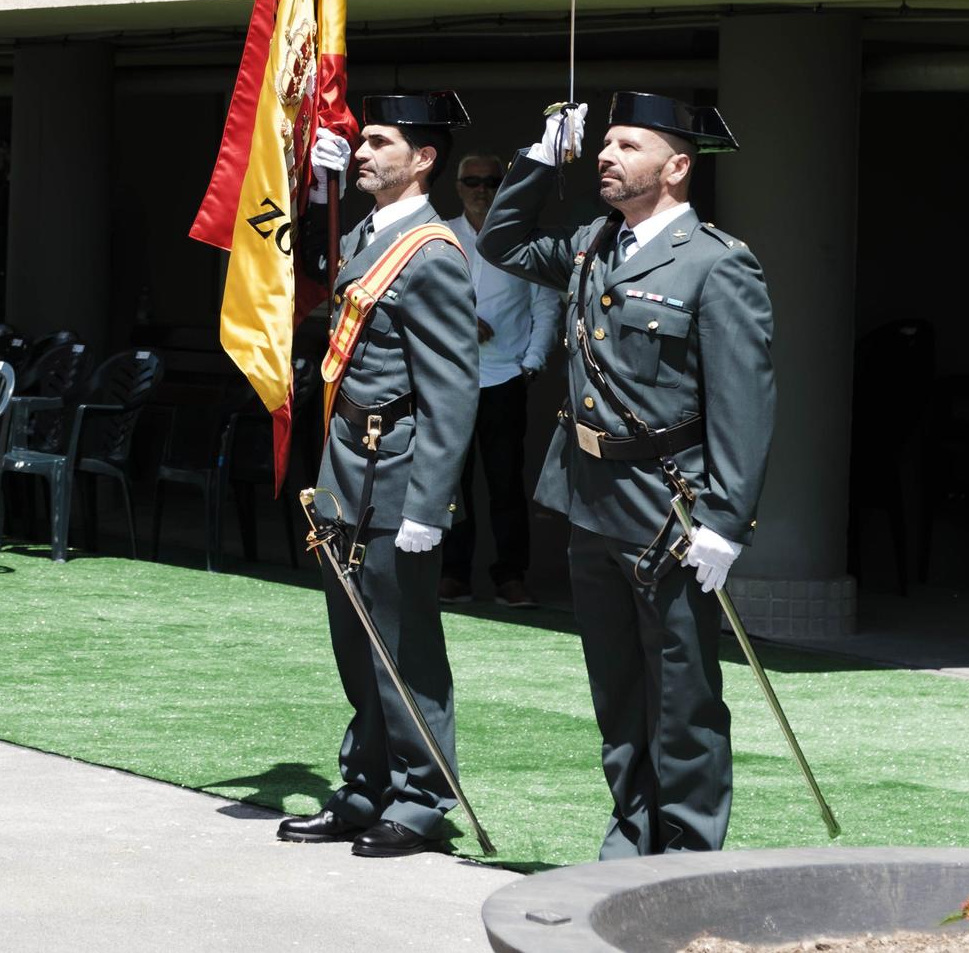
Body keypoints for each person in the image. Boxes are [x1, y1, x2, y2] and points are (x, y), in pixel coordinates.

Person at [478, 93, 775, 859]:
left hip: (668, 507)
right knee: (615, 685)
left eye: (627, 145)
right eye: (603, 143)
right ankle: (632, 828)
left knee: (683, 692)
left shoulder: (717, 263)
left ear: (676, 166)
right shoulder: (590, 243)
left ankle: (686, 847)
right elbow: (501, 242)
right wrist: (542, 155)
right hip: (590, 495)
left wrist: (725, 519)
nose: (607, 155)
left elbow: (744, 401)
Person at [277, 93, 479, 860]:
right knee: (355, 641)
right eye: (360, 141)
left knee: (404, 645)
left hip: (397, 473)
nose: (361, 151)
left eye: (379, 141)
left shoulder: (429, 254)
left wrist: (430, 504)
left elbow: (452, 390)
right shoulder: (366, 232)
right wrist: (317, 193)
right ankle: (365, 784)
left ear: (424, 158)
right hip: (346, 470)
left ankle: (423, 796)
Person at [441, 152, 558, 607]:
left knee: (506, 484)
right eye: (472, 181)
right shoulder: (439, 236)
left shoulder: (520, 239)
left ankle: (511, 576)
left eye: (491, 181)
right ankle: (453, 573)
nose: (482, 189)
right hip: (448, 378)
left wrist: (533, 361)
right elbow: (418, 300)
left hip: (506, 377)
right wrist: (460, 320)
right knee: (451, 484)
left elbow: (545, 303)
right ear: (458, 185)